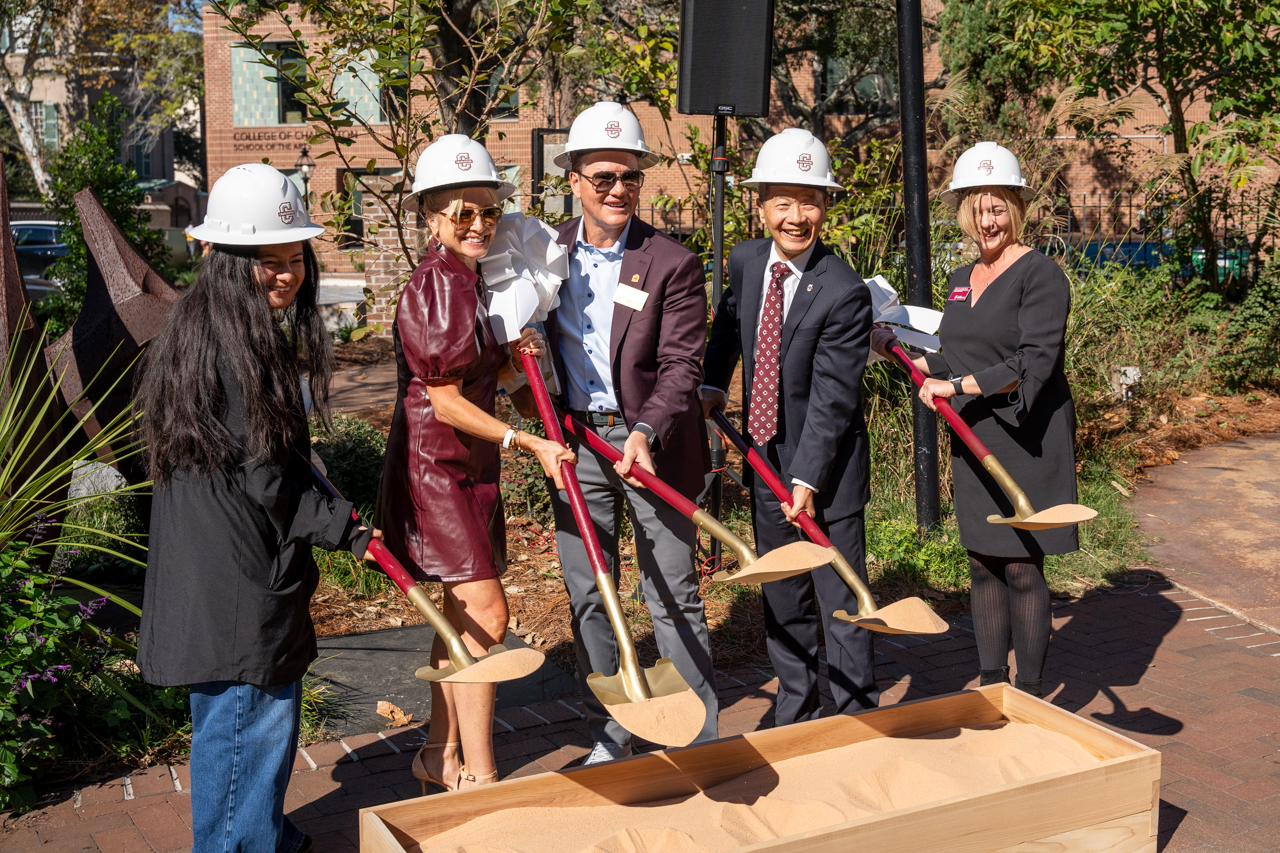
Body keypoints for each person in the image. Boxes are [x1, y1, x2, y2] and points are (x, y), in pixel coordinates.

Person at [136, 163, 379, 853]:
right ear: (225, 260)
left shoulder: (201, 326)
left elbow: (261, 463)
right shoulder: (238, 349)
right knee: (247, 723)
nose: (286, 274)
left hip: (218, 565)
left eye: (293, 256)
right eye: (266, 261)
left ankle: (257, 830)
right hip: (237, 582)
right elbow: (269, 481)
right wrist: (349, 529)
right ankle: (242, 841)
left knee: (235, 724)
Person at [375, 135, 575, 793]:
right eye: (462, 212)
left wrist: (525, 372)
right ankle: (482, 775)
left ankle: (439, 755)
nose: (479, 224)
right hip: (437, 469)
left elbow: (499, 384)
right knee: (488, 617)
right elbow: (446, 401)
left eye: (488, 211)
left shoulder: (478, 280)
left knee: (463, 616)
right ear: (430, 216)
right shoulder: (435, 287)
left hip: (471, 467)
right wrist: (528, 444)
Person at [871, 141, 1079, 698]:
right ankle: (991, 685)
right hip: (974, 432)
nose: (987, 221)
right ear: (964, 213)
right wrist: (912, 359)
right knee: (984, 562)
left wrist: (956, 385)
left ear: (1016, 208)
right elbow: (958, 352)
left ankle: (1030, 693)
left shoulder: (1041, 275)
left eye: (997, 208)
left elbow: (1033, 361)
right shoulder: (962, 276)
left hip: (1025, 434)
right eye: (977, 209)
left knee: (1021, 566)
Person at [544, 101, 716, 762]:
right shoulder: (542, 254)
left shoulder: (669, 260)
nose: (618, 189)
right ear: (575, 180)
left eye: (630, 176)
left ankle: (699, 737)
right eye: (603, 177)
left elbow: (680, 365)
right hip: (576, 442)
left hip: (652, 440)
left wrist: (644, 429)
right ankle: (620, 727)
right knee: (590, 593)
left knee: (671, 591)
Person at [702, 128, 879, 725]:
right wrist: (709, 382)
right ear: (760, 205)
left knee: (841, 595)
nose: (795, 216)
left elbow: (833, 396)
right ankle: (795, 707)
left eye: (809, 201)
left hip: (825, 469)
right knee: (783, 592)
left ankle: (856, 712)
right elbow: (729, 324)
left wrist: (807, 478)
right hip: (764, 456)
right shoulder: (749, 261)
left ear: (825, 207)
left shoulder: (844, 291)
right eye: (782, 200)